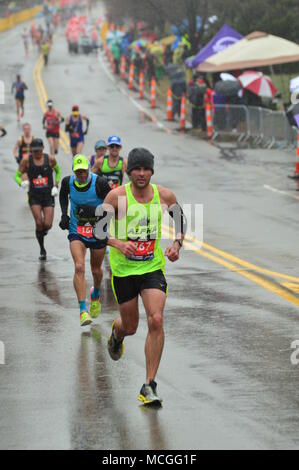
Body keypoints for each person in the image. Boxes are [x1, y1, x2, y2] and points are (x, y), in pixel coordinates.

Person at [93, 148, 187, 405]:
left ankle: (149, 385)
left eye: (146, 169)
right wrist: (118, 244)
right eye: (137, 169)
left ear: (152, 171)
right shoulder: (116, 197)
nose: (142, 174)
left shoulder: (164, 195)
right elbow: (98, 231)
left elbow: (180, 219)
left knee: (156, 319)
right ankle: (117, 334)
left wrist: (177, 244)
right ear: (129, 171)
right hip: (123, 271)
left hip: (152, 268)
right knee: (131, 326)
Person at [58, 155, 111, 327]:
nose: (81, 175)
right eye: (78, 172)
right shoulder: (68, 182)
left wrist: (96, 211)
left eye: (84, 171)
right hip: (77, 230)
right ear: (74, 171)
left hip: (97, 231)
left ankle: (95, 294)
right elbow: (62, 196)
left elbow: (112, 206)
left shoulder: (100, 183)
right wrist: (64, 214)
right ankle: (82, 310)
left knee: (96, 270)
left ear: (89, 169)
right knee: (79, 266)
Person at [14, 138, 61, 261]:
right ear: (31, 150)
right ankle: (42, 248)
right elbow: (17, 175)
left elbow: (58, 171)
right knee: (39, 222)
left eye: (39, 150)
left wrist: (56, 185)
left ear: (43, 148)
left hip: (48, 195)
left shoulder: (50, 159)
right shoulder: (26, 160)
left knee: (48, 224)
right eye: (34, 151)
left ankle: (41, 234)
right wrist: (21, 183)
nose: (37, 153)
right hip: (34, 196)